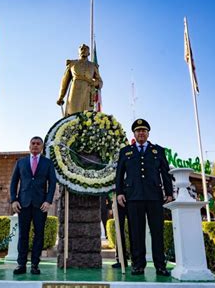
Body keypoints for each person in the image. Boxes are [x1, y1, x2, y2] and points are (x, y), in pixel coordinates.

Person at [115, 119, 173, 276]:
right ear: (134, 134)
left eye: (144, 130)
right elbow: (119, 175)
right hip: (133, 197)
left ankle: (160, 265)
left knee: (157, 232)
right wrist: (119, 193)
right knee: (136, 232)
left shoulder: (158, 151)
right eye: (138, 131)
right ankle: (138, 265)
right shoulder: (125, 151)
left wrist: (169, 193)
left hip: (154, 197)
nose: (141, 133)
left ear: (148, 133)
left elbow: (165, 173)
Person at [10, 136, 57, 275]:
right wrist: (14, 200)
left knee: (39, 235)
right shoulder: (21, 162)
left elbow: (52, 183)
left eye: (38, 144)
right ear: (29, 146)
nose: (35, 145)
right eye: (33, 143)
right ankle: (21, 264)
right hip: (23, 204)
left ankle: (35, 264)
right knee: (23, 235)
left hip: (40, 205)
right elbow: (14, 182)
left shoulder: (48, 163)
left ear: (42, 147)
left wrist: (48, 201)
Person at [57, 44, 103, 116]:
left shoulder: (93, 66)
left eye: (85, 49)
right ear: (78, 52)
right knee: (73, 114)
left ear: (89, 53)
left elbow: (100, 82)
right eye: (81, 49)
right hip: (75, 92)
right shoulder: (72, 64)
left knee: (87, 116)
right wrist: (61, 97)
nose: (83, 50)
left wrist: (94, 83)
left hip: (88, 93)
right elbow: (64, 82)